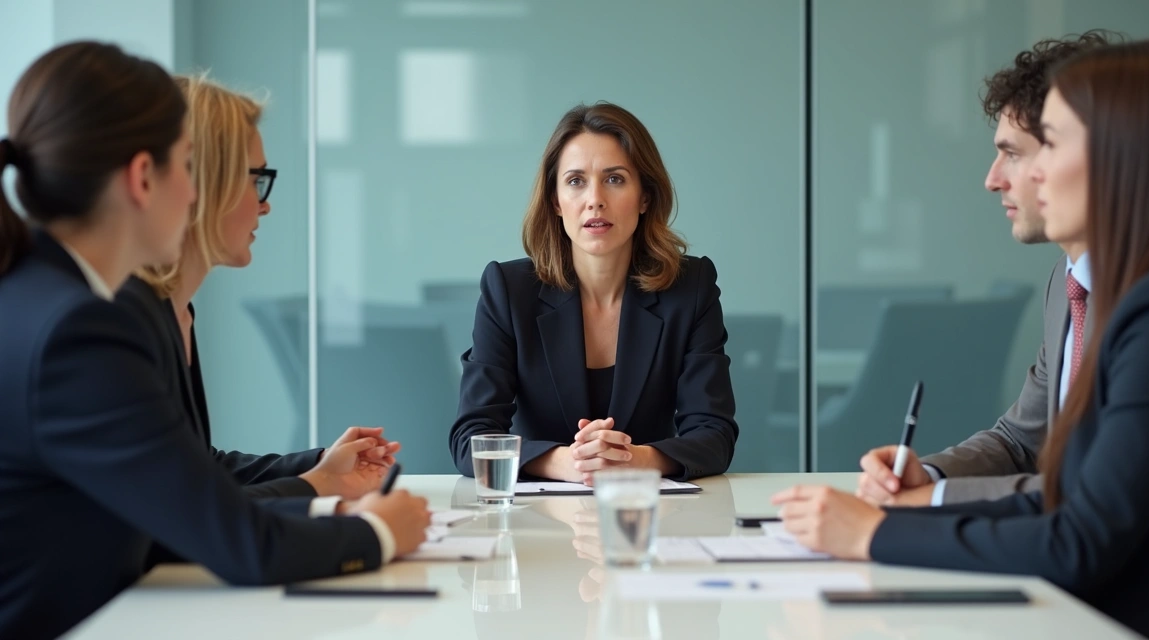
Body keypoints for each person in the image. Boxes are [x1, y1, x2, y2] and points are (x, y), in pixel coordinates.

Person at [773, 40, 1149, 640]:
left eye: (1049, 145)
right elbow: (1061, 495)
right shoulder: (1124, 288)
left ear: (1124, 156)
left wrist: (873, 533)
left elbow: (1080, 537)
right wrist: (905, 509)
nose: (1026, 174)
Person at [0, 42, 429, 639]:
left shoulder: (40, 298)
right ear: (143, 178)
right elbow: (235, 542)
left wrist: (322, 483)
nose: (194, 192)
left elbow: (182, 482)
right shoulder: (78, 331)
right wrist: (380, 532)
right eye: (186, 166)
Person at [856, 31, 1114, 507]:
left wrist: (930, 502)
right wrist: (928, 473)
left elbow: (1092, 493)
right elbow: (1021, 441)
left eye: (1013, 153)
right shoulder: (1068, 281)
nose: (993, 179)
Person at [116, 74, 397, 506]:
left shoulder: (178, 311)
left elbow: (199, 466)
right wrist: (337, 502)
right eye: (256, 179)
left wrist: (322, 464)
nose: (265, 203)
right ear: (206, 183)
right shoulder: (125, 321)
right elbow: (184, 505)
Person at [449, 102, 738, 484]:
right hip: (537, 528)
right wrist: (565, 462)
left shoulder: (690, 288)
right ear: (555, 201)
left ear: (645, 197)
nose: (595, 199)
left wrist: (635, 459)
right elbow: (470, 440)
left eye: (615, 179)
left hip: (647, 518)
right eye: (575, 181)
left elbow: (714, 435)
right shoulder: (508, 290)